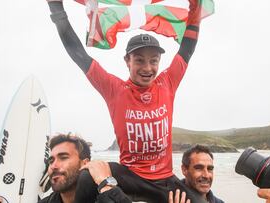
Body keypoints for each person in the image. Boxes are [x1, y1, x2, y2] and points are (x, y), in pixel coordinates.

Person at [46, 0, 206, 202]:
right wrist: (56, 8)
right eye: (139, 60)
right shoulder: (115, 89)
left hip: (164, 180)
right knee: (87, 175)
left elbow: (188, 47)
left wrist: (195, 8)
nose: (147, 68)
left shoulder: (168, 82)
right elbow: (78, 54)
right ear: (127, 61)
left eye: (153, 60)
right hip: (129, 177)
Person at [38, 133, 131, 203]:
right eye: (51, 161)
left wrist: (105, 184)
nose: (53, 166)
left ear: (85, 163)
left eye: (63, 158)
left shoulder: (105, 198)